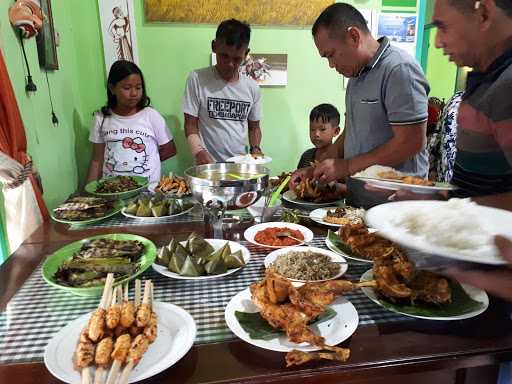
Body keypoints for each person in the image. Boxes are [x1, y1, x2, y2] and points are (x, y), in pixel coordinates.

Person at [291, 3, 430, 207]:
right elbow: (352, 130)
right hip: (359, 203)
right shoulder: (356, 77)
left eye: (331, 54)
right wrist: (316, 169)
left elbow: (412, 142)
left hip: (396, 207)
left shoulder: (399, 69)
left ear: (354, 36)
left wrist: (346, 166)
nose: (331, 65)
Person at [183, 19, 263, 165]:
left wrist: (255, 149)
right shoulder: (197, 79)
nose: (230, 64)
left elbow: (254, 127)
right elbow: (190, 124)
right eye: (224, 56)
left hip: (239, 168)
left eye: (237, 59)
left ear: (246, 54)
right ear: (214, 46)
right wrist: (198, 152)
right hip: (207, 167)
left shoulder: (252, 87)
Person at [87, 60, 176, 186]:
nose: (134, 93)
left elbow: (170, 149)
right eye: (127, 88)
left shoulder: (151, 116)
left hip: (147, 192)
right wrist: (88, 194)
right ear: (112, 88)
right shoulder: (101, 118)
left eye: (138, 88)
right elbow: (97, 159)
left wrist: (146, 161)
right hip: (112, 192)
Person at [297, 103, 341, 169]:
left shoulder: (340, 158)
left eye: (322, 129)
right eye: (312, 129)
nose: (316, 134)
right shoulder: (306, 156)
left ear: (336, 131)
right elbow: (299, 177)